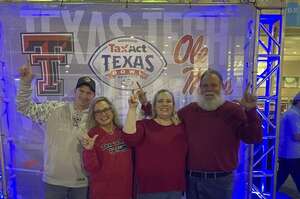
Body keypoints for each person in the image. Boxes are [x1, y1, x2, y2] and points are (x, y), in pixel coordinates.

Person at [139, 69, 263, 199]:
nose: (209, 89)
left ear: (221, 87)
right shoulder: (189, 111)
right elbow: (166, 118)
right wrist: (145, 104)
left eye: (214, 85)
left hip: (220, 181)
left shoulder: (233, 110)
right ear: (200, 88)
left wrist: (250, 110)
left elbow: (253, 137)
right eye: (205, 85)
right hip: (192, 180)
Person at [17, 64, 96, 199]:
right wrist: (25, 84)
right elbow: (25, 108)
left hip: (81, 183)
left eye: (89, 93)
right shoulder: (53, 108)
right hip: (53, 182)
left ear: (93, 95)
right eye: (81, 91)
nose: (84, 95)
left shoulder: (95, 118)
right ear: (74, 91)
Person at [122, 89, 187, 199]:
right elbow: (129, 139)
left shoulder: (181, 127)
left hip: (175, 189)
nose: (164, 104)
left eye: (168, 101)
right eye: (160, 101)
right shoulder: (144, 125)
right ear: (155, 106)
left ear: (173, 105)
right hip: (149, 190)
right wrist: (132, 108)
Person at [82, 97, 132, 199]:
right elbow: (91, 168)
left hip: (125, 193)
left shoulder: (124, 132)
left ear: (112, 110)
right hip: (102, 194)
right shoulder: (92, 135)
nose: (103, 114)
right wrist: (89, 150)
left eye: (105, 110)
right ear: (94, 116)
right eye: (98, 112)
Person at [276, 92, 300, 193]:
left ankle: (267, 193)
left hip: (289, 155)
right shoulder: (293, 115)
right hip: (291, 155)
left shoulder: (293, 114)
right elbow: (297, 136)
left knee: (279, 179)